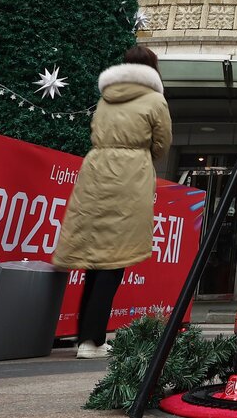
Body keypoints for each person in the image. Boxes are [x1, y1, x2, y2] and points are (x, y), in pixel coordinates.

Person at [53, 45, 173, 358]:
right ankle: (93, 340)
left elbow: (94, 131)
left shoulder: (105, 98)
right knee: (114, 258)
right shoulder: (154, 99)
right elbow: (161, 144)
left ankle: (85, 338)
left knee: (94, 258)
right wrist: (141, 157)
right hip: (129, 176)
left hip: (95, 172)